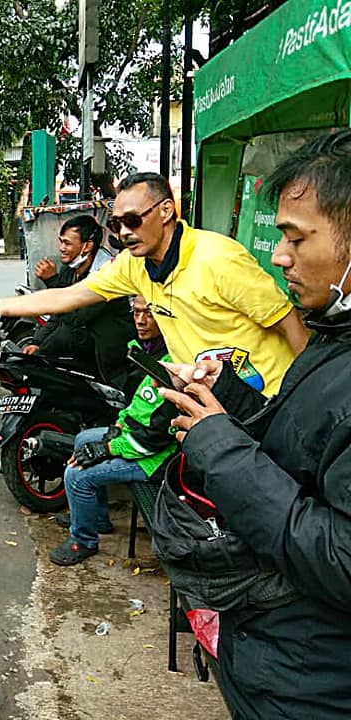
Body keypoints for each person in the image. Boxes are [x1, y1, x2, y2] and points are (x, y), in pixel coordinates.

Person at [161, 130, 351, 719]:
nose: (278, 255)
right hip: (279, 660)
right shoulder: (333, 334)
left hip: (314, 686)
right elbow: (306, 449)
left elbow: (341, 558)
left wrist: (219, 447)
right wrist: (230, 402)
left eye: (297, 237)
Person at [0, 171, 309, 395]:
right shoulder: (134, 266)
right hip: (214, 399)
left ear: (166, 211)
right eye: (117, 223)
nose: (123, 232)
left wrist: (304, 397)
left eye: (133, 220)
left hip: (268, 395)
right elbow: (69, 296)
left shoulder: (218, 259)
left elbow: (290, 324)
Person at [49, 295, 177, 565]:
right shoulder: (147, 354)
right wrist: (118, 425)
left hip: (155, 459)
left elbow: (154, 439)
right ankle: (97, 518)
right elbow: (138, 405)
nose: (140, 321)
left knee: (76, 475)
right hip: (134, 437)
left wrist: (108, 447)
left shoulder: (173, 367)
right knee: (83, 438)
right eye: (137, 313)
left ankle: (83, 541)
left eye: (149, 314)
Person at [26, 215, 134, 385]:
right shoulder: (70, 270)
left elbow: (75, 317)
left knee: (64, 335)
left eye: (67, 243)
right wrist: (37, 343)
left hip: (108, 351)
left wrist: (52, 281)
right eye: (61, 242)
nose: (61, 248)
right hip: (84, 342)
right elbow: (57, 314)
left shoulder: (105, 274)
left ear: (87, 246)